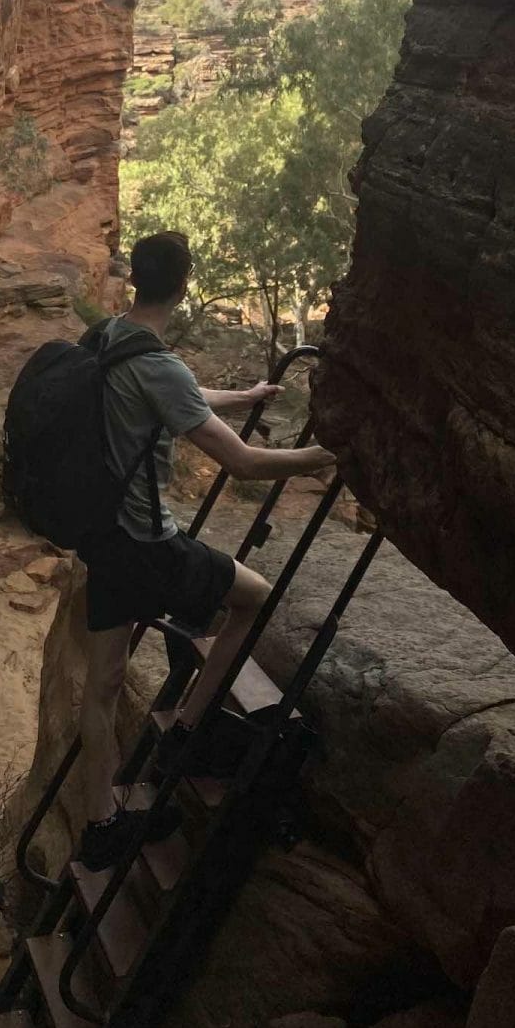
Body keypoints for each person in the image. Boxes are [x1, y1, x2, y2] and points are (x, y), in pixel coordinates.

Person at [74, 230, 336, 869]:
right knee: (253, 599)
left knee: (103, 686)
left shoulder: (107, 339)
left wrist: (243, 397)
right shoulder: (157, 363)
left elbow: (172, 395)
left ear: (136, 279)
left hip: (105, 540)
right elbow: (242, 464)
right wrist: (324, 456)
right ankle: (187, 731)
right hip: (148, 545)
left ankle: (99, 823)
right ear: (184, 283)